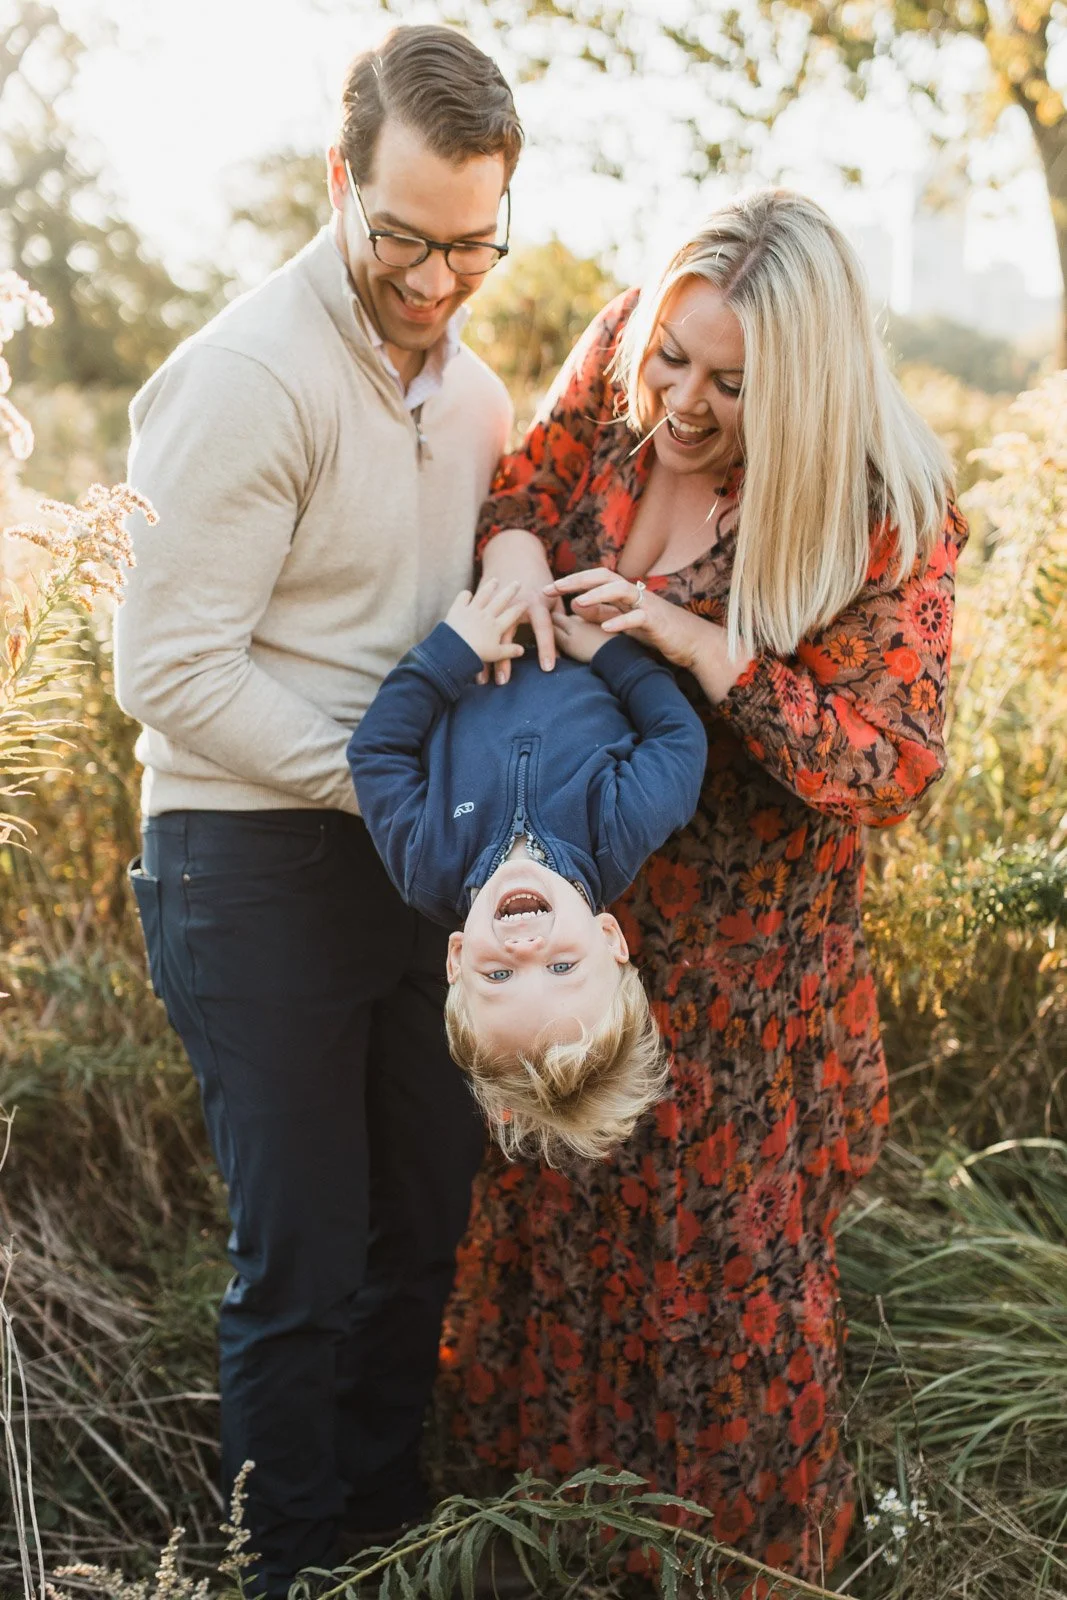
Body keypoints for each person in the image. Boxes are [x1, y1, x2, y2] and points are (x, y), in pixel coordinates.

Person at [431, 189, 968, 1585]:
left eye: (728, 386)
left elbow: (889, 763)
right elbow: (532, 480)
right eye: (670, 359)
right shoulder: (630, 339)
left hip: (741, 981)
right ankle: (552, 1556)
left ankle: (738, 1573)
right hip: (570, 933)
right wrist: (513, 555)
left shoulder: (879, 509)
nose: (678, 399)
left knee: (720, 1309)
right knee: (552, 1248)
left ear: (804, 386)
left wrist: (698, 646)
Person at [114, 26, 521, 1596]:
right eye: (404, 238)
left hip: (402, 860)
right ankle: (283, 1566)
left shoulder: (474, 394)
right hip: (243, 858)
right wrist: (380, 776)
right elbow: (167, 669)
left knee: (421, 1223)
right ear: (338, 182)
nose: (434, 280)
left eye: (472, 247)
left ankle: (383, 1538)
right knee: (300, 1257)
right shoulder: (245, 376)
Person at [347, 575, 708, 1163]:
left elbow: (376, 753)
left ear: (456, 959)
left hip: (472, 614)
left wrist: (451, 653)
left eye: (498, 976)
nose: (525, 948)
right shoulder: (620, 829)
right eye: (562, 966)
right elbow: (679, 740)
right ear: (609, 937)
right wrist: (610, 655)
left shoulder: (425, 861)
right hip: (579, 620)